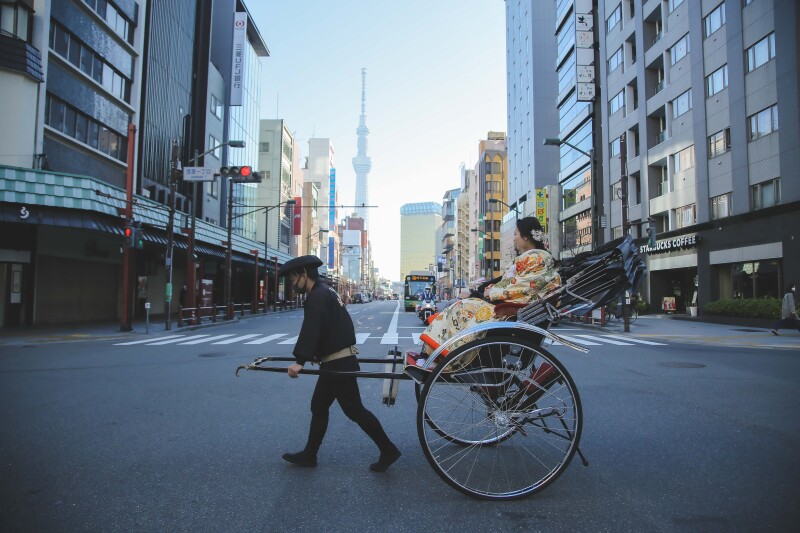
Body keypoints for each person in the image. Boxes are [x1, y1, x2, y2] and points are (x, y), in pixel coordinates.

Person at [280, 255, 401, 472]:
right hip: (335, 361)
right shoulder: (327, 292)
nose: (292, 284)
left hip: (338, 363)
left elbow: (312, 328)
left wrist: (300, 361)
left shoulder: (316, 296)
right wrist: (318, 353)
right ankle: (310, 453)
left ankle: (388, 449)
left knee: (354, 410)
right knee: (319, 406)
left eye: (293, 279)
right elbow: (334, 327)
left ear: (303, 275)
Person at [415, 217, 560, 358]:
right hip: (512, 304)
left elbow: (525, 286)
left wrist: (493, 292)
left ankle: (442, 355)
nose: (515, 238)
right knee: (460, 306)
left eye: (516, 234)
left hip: (513, 308)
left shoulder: (536, 258)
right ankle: (436, 352)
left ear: (526, 237)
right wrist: (491, 288)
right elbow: (513, 282)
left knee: (462, 307)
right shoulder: (533, 257)